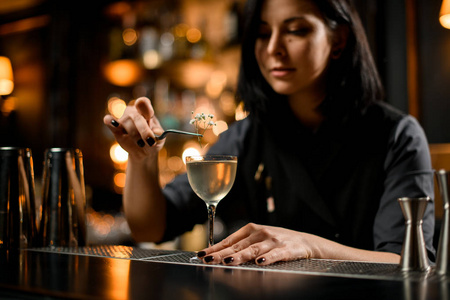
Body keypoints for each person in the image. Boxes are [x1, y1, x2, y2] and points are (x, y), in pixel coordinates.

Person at [103, 0, 435, 266]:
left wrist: (308, 246)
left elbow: (408, 262)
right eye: (263, 33)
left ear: (339, 39)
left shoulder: (397, 136)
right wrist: (141, 160)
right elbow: (152, 226)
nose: (274, 47)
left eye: (296, 30)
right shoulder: (248, 136)